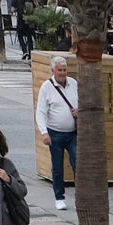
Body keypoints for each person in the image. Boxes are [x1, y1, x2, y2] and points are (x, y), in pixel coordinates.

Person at [33, 56, 76, 208]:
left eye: (64, 70)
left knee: (78, 161)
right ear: (53, 71)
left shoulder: (74, 84)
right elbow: (41, 113)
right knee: (57, 166)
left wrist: (79, 112)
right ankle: (59, 197)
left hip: (73, 133)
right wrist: (44, 132)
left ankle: (80, 195)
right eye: (59, 70)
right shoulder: (46, 87)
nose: (62, 73)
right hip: (55, 132)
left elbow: (82, 103)